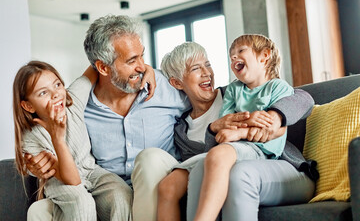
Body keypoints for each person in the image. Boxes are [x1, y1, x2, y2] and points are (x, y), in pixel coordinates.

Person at [26, 15, 314, 221]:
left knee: (149, 158)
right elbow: (54, 135)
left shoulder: (175, 89)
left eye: (142, 56)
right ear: (102, 67)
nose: (141, 66)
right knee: (39, 211)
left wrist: (275, 116)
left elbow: (287, 96)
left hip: (159, 172)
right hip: (112, 189)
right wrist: (39, 162)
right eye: (132, 61)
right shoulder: (78, 104)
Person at [158, 41, 316, 221]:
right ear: (177, 83)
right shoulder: (181, 129)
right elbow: (203, 165)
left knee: (230, 170)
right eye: (196, 68)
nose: (207, 73)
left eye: (208, 65)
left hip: (271, 160)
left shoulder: (236, 92)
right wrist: (213, 128)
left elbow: (302, 97)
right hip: (222, 164)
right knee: (194, 172)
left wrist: (275, 116)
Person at [13, 61, 148, 220]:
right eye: (43, 93)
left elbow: (98, 64)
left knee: (121, 194)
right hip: (62, 184)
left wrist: (148, 70)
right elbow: (73, 180)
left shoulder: (73, 101)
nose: (55, 94)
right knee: (82, 202)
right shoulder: (30, 139)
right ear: (28, 106)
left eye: (57, 84)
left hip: (92, 171)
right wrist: (58, 139)